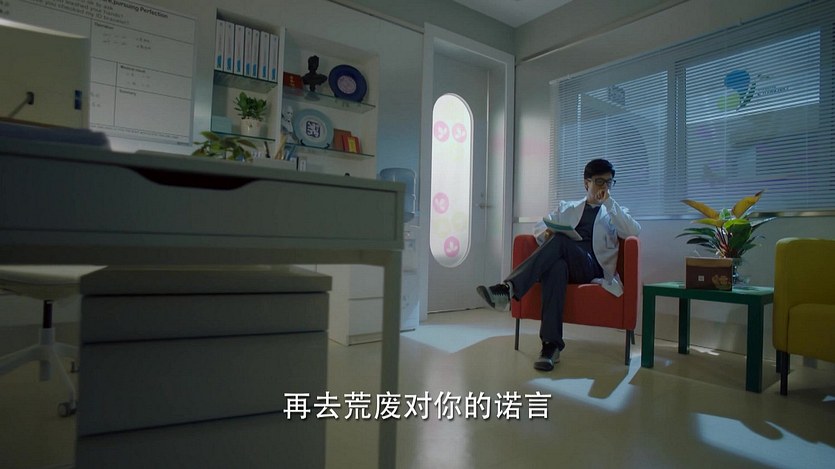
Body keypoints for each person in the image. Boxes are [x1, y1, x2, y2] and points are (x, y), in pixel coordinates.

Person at [476, 158, 641, 371]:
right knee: (556, 268)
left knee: (560, 241)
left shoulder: (614, 211)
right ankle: (550, 347)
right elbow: (540, 226)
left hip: (592, 268)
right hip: (566, 265)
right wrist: (546, 232)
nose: (605, 187)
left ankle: (508, 289)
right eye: (600, 182)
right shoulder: (568, 207)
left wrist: (609, 202)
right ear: (587, 183)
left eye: (609, 183)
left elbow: (633, 231)